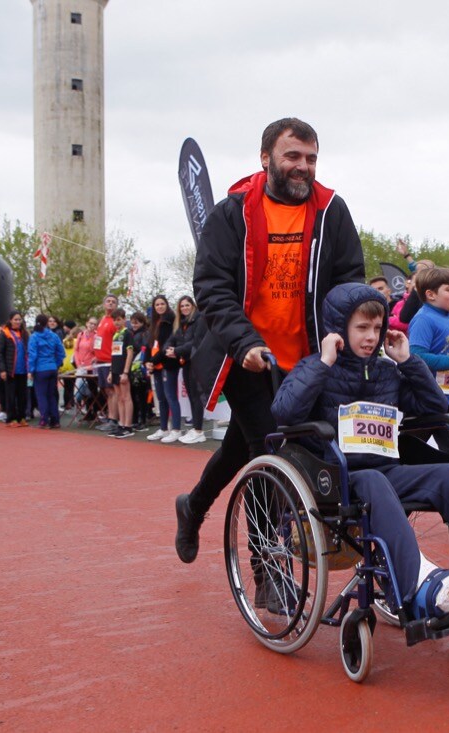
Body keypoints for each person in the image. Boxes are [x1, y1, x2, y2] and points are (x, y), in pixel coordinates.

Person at [273, 282, 449, 616]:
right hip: (336, 478)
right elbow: (284, 413)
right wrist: (324, 362)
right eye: (361, 328)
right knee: (373, 482)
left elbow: (434, 405)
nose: (370, 336)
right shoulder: (315, 366)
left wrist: (408, 362)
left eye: (377, 328)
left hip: (387, 470)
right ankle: (418, 587)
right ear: (338, 330)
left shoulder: (386, 373)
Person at [174, 117, 365, 565]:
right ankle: (266, 569)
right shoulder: (232, 212)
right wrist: (245, 344)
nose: (303, 167)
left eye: (311, 158)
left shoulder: (332, 209)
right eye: (292, 156)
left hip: (307, 360)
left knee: (242, 446)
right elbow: (212, 287)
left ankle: (193, 505)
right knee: (270, 453)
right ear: (266, 159)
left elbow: (348, 279)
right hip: (248, 358)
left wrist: (352, 331)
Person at [408, 266, 449, 438]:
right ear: (431, 295)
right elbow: (417, 357)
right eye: (448, 289)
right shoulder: (423, 319)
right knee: (411, 449)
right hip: (429, 398)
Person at [166, 295, 207, 444]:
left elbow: (195, 342)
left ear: (193, 306)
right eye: (182, 306)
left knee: (196, 396)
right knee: (191, 395)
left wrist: (176, 351)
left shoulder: (199, 319)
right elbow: (172, 339)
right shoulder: (182, 323)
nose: (184, 308)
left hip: (196, 361)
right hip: (186, 362)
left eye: (187, 305)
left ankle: (198, 430)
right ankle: (196, 427)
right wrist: (168, 350)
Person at [145, 295, 183, 444]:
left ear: (167, 305)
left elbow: (166, 345)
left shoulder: (170, 322)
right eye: (157, 305)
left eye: (162, 304)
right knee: (160, 398)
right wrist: (148, 362)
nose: (160, 307)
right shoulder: (155, 323)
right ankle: (163, 428)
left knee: (170, 396)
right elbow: (151, 345)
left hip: (168, 364)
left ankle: (176, 429)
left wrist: (153, 361)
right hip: (156, 366)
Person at [28, 313, 67, 429]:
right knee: (52, 395)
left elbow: (32, 355)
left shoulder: (34, 336)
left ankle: (44, 419)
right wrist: (56, 364)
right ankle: (55, 420)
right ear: (46, 323)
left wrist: (31, 370)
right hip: (52, 368)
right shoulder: (54, 336)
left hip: (40, 369)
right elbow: (61, 353)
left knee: (41, 395)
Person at [106, 308, 136, 439]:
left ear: (124, 319)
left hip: (123, 370)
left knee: (126, 397)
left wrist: (125, 371)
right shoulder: (115, 335)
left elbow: (129, 353)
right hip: (116, 370)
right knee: (119, 398)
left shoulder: (127, 334)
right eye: (114, 320)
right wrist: (111, 372)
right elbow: (114, 355)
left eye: (119, 319)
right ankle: (121, 423)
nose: (116, 322)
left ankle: (128, 426)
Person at [0, 311, 29, 427]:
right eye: (15, 319)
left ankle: (22, 417)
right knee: (10, 395)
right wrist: (3, 370)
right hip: (10, 370)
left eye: (19, 319)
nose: (18, 322)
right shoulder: (4, 334)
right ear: (10, 320)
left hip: (23, 370)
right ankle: (11, 418)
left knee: (22, 395)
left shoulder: (24, 333)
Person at [93, 295, 119, 431]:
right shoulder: (102, 320)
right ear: (103, 304)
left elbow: (116, 342)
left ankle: (114, 419)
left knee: (113, 391)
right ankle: (110, 417)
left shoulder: (115, 322)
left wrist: (114, 362)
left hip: (110, 361)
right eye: (108, 301)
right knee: (108, 391)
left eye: (113, 302)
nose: (110, 304)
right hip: (100, 361)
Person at [128, 312, 151, 432]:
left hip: (139, 367)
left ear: (142, 322)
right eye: (132, 322)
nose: (134, 325)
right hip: (133, 367)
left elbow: (144, 348)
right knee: (134, 394)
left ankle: (142, 420)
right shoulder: (132, 333)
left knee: (141, 395)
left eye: (136, 322)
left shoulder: (144, 333)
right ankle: (136, 419)